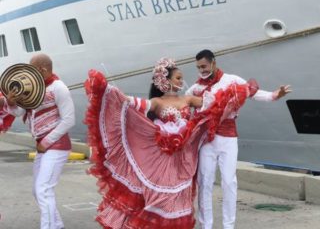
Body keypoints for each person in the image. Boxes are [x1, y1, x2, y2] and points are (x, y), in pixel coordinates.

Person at [84, 57, 257, 229]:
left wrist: (238, 94)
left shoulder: (187, 99)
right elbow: (132, 104)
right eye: (178, 78)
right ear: (165, 81)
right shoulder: (157, 102)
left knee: (181, 196)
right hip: (163, 158)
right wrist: (109, 91)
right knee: (162, 197)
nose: (182, 81)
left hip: (184, 157)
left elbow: (214, 105)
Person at [186, 49, 291, 229]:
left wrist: (275, 95)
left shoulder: (232, 80)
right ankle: (206, 226)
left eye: (204, 66)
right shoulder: (196, 88)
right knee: (205, 182)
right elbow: (183, 106)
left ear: (213, 62)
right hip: (206, 140)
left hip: (228, 138)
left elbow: (254, 93)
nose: (201, 70)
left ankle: (229, 225)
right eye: (198, 67)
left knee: (229, 181)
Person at [3, 53, 75, 229]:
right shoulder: (34, 88)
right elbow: (20, 112)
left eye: (32, 69)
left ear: (43, 69)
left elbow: (69, 119)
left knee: (43, 189)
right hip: (43, 147)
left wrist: (47, 141)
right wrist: (11, 103)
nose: (29, 74)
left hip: (56, 146)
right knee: (38, 190)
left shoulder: (59, 88)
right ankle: (56, 225)